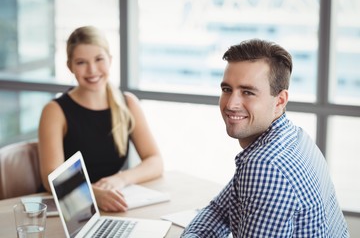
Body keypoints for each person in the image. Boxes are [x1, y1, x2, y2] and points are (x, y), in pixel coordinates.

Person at [181, 39, 349, 237]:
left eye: (248, 92)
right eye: (227, 89)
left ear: (280, 101)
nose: (231, 104)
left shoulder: (266, 165)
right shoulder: (295, 137)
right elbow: (219, 211)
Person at [38, 26, 163, 212]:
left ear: (110, 60)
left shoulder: (128, 104)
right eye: (81, 62)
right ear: (70, 66)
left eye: (99, 59)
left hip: (109, 205)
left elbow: (155, 161)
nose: (92, 70)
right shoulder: (55, 111)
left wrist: (121, 179)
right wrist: (94, 195)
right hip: (70, 211)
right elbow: (52, 177)